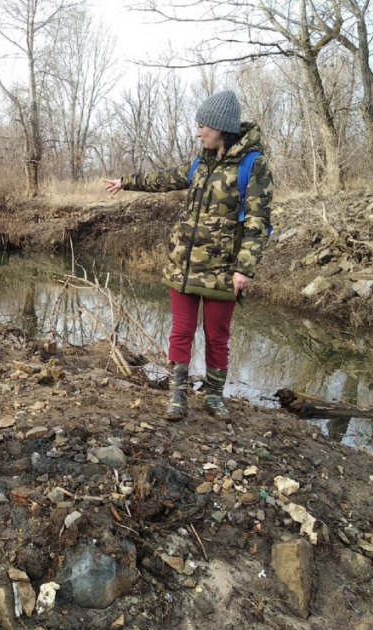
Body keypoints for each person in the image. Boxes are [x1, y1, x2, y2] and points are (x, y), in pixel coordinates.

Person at [104, 89, 273, 422]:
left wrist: (245, 269)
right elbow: (164, 178)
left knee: (217, 337)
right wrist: (126, 182)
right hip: (183, 265)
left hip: (223, 269)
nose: (198, 132)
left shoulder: (254, 165)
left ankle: (213, 397)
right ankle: (177, 398)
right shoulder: (200, 161)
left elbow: (259, 220)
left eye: (202, 127)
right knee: (180, 331)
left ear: (221, 127)